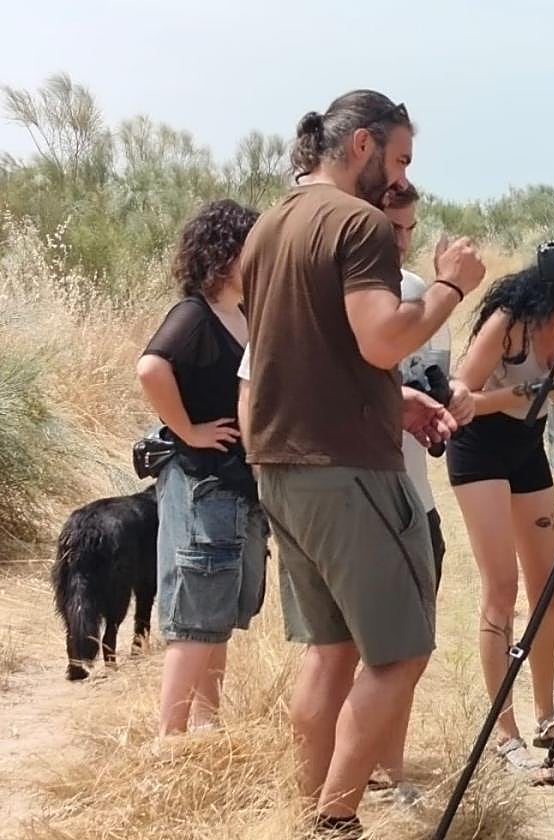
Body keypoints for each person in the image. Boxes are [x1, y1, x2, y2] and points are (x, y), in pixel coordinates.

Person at [238, 90, 484, 839]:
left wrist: (391, 399)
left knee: (330, 651)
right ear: (362, 145)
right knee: (400, 653)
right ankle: (336, 818)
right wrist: (450, 286)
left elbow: (312, 353)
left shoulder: (268, 228)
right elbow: (381, 338)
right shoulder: (358, 223)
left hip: (280, 464)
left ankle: (309, 808)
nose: (400, 174)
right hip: (347, 474)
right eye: (400, 157)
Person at [446, 255, 554, 785]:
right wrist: (523, 395)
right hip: (479, 448)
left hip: (528, 446)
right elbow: (458, 398)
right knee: (502, 589)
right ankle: (503, 733)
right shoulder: (511, 323)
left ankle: (546, 715)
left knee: (548, 588)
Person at [135, 198, 267, 737]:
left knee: (215, 618)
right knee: (194, 618)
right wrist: (188, 430)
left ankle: (208, 730)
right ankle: (170, 741)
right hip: (200, 482)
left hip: (232, 484)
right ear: (225, 253)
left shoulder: (243, 312)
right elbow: (150, 368)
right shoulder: (194, 314)